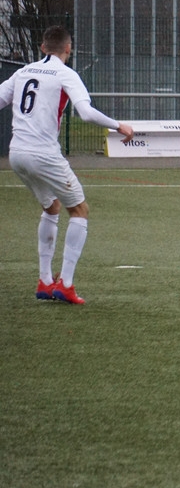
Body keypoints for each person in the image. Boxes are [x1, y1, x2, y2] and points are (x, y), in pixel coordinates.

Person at [0, 25, 135, 304]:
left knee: (52, 207)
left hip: (17, 153)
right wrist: (118, 125)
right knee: (80, 210)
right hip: (43, 154)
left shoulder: (23, 71)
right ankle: (66, 285)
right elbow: (85, 113)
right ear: (69, 49)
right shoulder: (66, 73)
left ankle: (45, 281)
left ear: (42, 47)